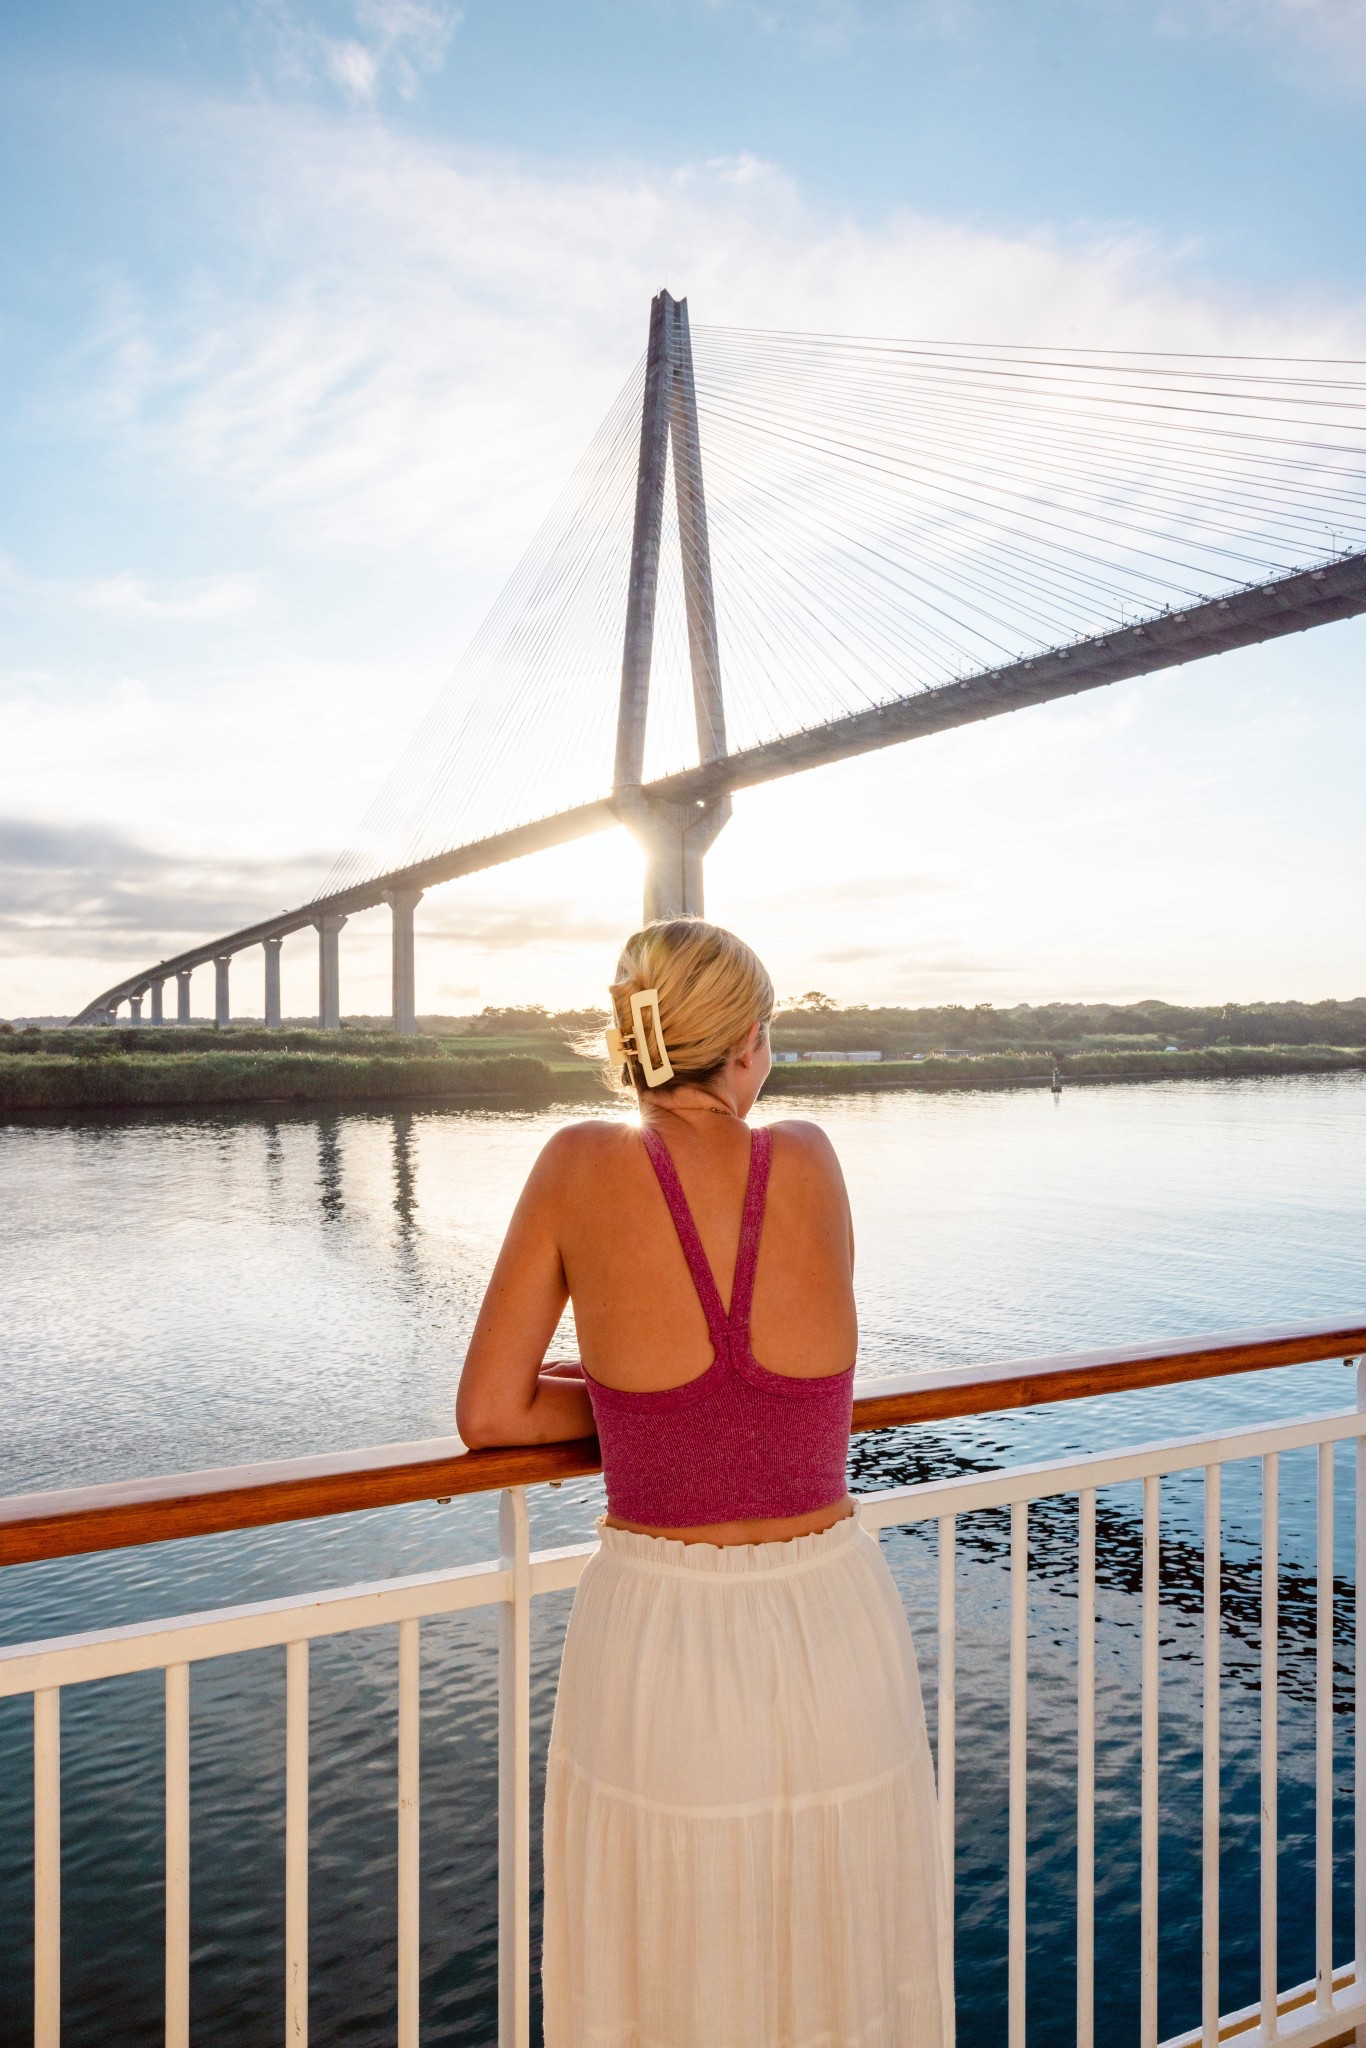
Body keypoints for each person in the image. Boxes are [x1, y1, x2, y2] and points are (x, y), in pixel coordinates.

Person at [457, 919, 949, 2048]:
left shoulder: (578, 1162)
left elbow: (491, 1413)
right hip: (833, 1616)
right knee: (840, 1952)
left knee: (676, 1973)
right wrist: (679, 1403)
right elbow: (773, 1389)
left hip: (666, 1626)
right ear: (748, 1045)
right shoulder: (813, 1158)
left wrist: (627, 1404)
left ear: (633, 1042)